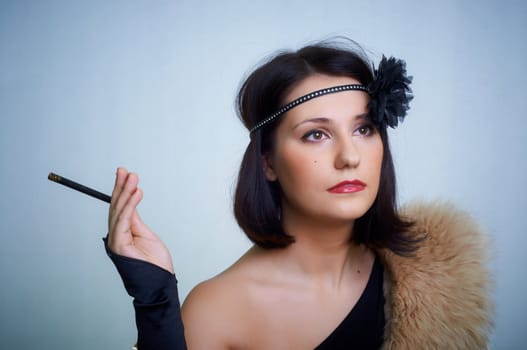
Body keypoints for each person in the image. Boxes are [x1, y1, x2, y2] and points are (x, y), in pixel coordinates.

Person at [105, 40, 493, 349]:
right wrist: (155, 306)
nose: (349, 156)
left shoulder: (437, 269)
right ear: (268, 162)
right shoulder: (216, 310)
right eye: (316, 134)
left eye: (363, 129)